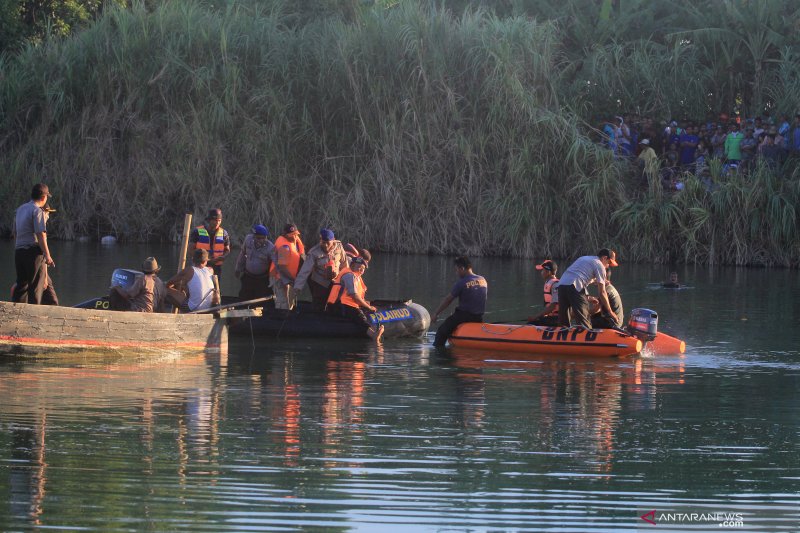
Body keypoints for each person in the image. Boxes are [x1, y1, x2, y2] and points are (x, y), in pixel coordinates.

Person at [11, 183, 59, 305]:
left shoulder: (20, 209)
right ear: (43, 197)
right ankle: (33, 312)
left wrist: (18, 248)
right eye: (47, 197)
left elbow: (15, 233)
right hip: (33, 253)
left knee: (22, 286)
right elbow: (40, 234)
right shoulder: (37, 211)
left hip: (19, 252)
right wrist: (47, 256)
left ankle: (16, 311)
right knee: (36, 288)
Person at [432, 256, 488, 348]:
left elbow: (448, 300)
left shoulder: (462, 282)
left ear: (462, 268)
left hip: (463, 316)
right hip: (478, 317)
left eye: (457, 270)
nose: (456, 272)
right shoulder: (483, 280)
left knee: (441, 331)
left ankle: (438, 352)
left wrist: (436, 314)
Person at [325, 256, 384, 342]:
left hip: (346, 303)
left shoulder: (356, 276)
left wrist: (365, 302)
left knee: (362, 309)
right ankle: (373, 335)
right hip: (339, 305)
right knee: (359, 316)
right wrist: (368, 307)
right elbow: (354, 296)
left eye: (363, 268)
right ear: (352, 266)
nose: (361, 270)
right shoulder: (349, 276)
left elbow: (357, 296)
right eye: (358, 267)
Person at [557, 249, 618, 330]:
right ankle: (585, 332)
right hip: (575, 286)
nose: (608, 266)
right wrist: (610, 312)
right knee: (584, 321)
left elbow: (578, 275)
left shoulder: (584, 258)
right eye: (609, 263)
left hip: (561, 285)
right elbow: (602, 292)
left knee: (564, 319)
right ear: (604, 258)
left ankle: (563, 332)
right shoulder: (600, 265)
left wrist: (587, 297)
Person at [295, 228, 348, 311]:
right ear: (320, 240)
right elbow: (305, 270)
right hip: (320, 283)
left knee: (335, 305)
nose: (325, 245)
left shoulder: (339, 247)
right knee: (319, 306)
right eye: (323, 242)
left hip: (335, 282)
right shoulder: (314, 252)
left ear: (333, 240)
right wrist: (298, 287)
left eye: (328, 243)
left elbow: (344, 264)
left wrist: (347, 280)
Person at [269, 223, 305, 310]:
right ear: (285, 234)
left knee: (290, 303)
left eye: (295, 234)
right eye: (291, 235)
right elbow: (282, 268)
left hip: (290, 278)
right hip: (280, 278)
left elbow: (302, 255)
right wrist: (293, 280)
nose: (294, 237)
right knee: (283, 304)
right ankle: (280, 316)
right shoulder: (284, 247)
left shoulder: (295, 239)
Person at [234, 224, 274, 301]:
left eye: (263, 238)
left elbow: (274, 266)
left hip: (262, 279)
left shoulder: (270, 248)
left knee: (261, 301)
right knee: (243, 298)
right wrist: (238, 269)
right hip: (248, 277)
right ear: (254, 236)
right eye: (258, 238)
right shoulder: (248, 240)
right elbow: (242, 254)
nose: (261, 240)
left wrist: (273, 280)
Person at [189, 208, 230, 278]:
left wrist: (223, 257)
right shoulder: (197, 231)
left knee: (215, 284)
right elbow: (190, 250)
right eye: (215, 220)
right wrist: (206, 260)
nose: (217, 223)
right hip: (200, 267)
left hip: (216, 267)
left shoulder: (224, 233)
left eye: (219, 220)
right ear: (209, 220)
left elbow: (227, 250)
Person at [527, 260, 559, 327]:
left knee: (530, 324)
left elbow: (553, 306)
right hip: (552, 317)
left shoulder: (555, 285)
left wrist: (536, 317)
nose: (541, 273)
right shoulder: (549, 283)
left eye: (543, 270)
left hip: (557, 319)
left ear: (548, 272)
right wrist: (544, 315)